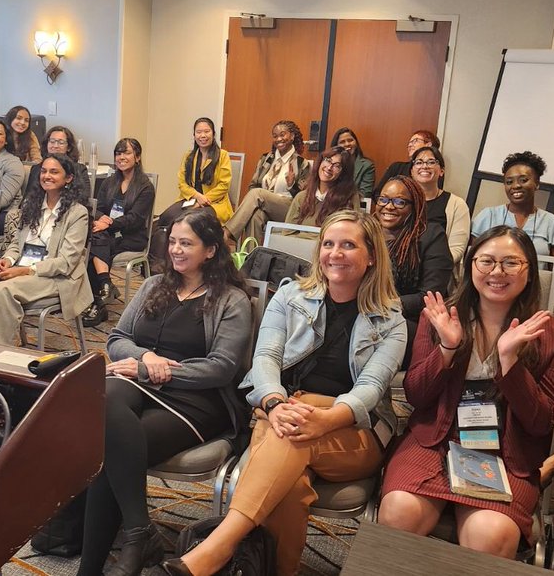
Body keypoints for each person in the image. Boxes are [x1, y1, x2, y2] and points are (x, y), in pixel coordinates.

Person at [166, 210, 405, 576]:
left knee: (291, 436)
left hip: (353, 428)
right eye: (328, 244)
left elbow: (370, 389)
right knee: (290, 488)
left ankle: (219, 545)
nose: (335, 253)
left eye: (348, 245)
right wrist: (276, 404)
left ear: (371, 256)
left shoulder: (391, 320)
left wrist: (325, 420)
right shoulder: (291, 296)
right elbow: (266, 358)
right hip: (283, 410)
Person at [377, 226, 554, 558]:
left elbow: (542, 422)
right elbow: (416, 396)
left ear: (529, 270)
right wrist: (447, 349)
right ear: (471, 265)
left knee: (490, 534)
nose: (497, 272)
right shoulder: (440, 317)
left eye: (511, 263)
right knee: (399, 511)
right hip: (434, 440)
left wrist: (510, 362)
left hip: (507, 453)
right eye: (486, 261)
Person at [81, 209, 253, 576]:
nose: (175, 249)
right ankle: (139, 532)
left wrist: (150, 369)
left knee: (111, 443)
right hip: (141, 383)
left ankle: (93, 567)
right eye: (172, 241)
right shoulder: (153, 285)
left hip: (195, 399)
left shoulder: (231, 299)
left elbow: (221, 368)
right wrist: (144, 357)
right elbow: (117, 338)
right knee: (106, 399)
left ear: (210, 250)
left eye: (186, 243)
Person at [0, 154, 90, 345]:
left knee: (3, 291)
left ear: (68, 178)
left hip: (56, 276)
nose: (47, 176)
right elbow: (16, 244)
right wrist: (7, 260)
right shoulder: (31, 205)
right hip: (21, 267)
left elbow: (66, 263)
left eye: (54, 172)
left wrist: (24, 271)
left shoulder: (77, 213)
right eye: (44, 171)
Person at [374, 176, 453, 366]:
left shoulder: (431, 235)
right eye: (383, 199)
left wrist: (385, 305)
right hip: (370, 314)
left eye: (399, 202)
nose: (389, 206)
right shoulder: (369, 232)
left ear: (415, 206)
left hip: (411, 321)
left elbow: (431, 295)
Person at [81, 138, 155, 327]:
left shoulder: (145, 187)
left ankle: (98, 301)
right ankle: (104, 287)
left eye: (126, 153)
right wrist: (101, 220)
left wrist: (110, 223)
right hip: (108, 233)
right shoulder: (109, 182)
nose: (121, 157)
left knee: (94, 246)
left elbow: (135, 219)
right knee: (94, 239)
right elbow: (98, 208)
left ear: (137, 157)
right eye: (118, 153)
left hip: (131, 236)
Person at [471, 151, 554, 261]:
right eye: (509, 182)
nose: (516, 186)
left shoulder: (553, 224)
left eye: (523, 180)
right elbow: (473, 261)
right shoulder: (488, 216)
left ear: (537, 183)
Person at [223, 120, 309, 246]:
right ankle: (251, 256)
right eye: (275, 136)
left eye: (282, 135)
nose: (278, 139)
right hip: (264, 205)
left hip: (288, 209)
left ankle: (226, 233)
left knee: (257, 193)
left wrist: (291, 185)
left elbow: (303, 200)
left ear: (292, 136)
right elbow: (253, 185)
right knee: (255, 217)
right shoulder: (266, 159)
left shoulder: (302, 163)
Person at [155, 118, 232, 241]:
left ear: (213, 134)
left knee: (193, 220)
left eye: (207, 131)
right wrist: (196, 196)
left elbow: (224, 185)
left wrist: (203, 200)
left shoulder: (222, 155)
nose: (203, 135)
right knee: (166, 217)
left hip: (214, 203)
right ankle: (169, 250)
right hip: (190, 199)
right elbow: (182, 183)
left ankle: (192, 249)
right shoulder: (188, 156)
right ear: (194, 135)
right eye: (199, 132)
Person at [410, 145, 470, 264]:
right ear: (412, 171)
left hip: (438, 269)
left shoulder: (457, 205)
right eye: (419, 162)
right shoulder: (402, 200)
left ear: (442, 171)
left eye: (431, 162)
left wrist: (431, 267)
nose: (424, 166)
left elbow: (457, 250)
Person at [285, 146, 360, 226]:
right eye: (328, 160)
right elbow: (288, 230)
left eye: (337, 166)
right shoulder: (301, 197)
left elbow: (352, 229)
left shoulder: (349, 198)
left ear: (343, 173)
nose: (329, 167)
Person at [24, 125, 91, 201]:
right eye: (52, 141)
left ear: (69, 147)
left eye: (61, 143)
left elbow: (83, 197)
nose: (55, 146)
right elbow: (28, 197)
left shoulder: (79, 169)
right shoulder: (36, 168)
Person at [328, 127, 376, 198]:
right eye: (342, 142)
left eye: (350, 140)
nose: (347, 144)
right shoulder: (329, 164)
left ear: (356, 142)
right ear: (336, 146)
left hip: (353, 203)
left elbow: (365, 194)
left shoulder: (367, 166)